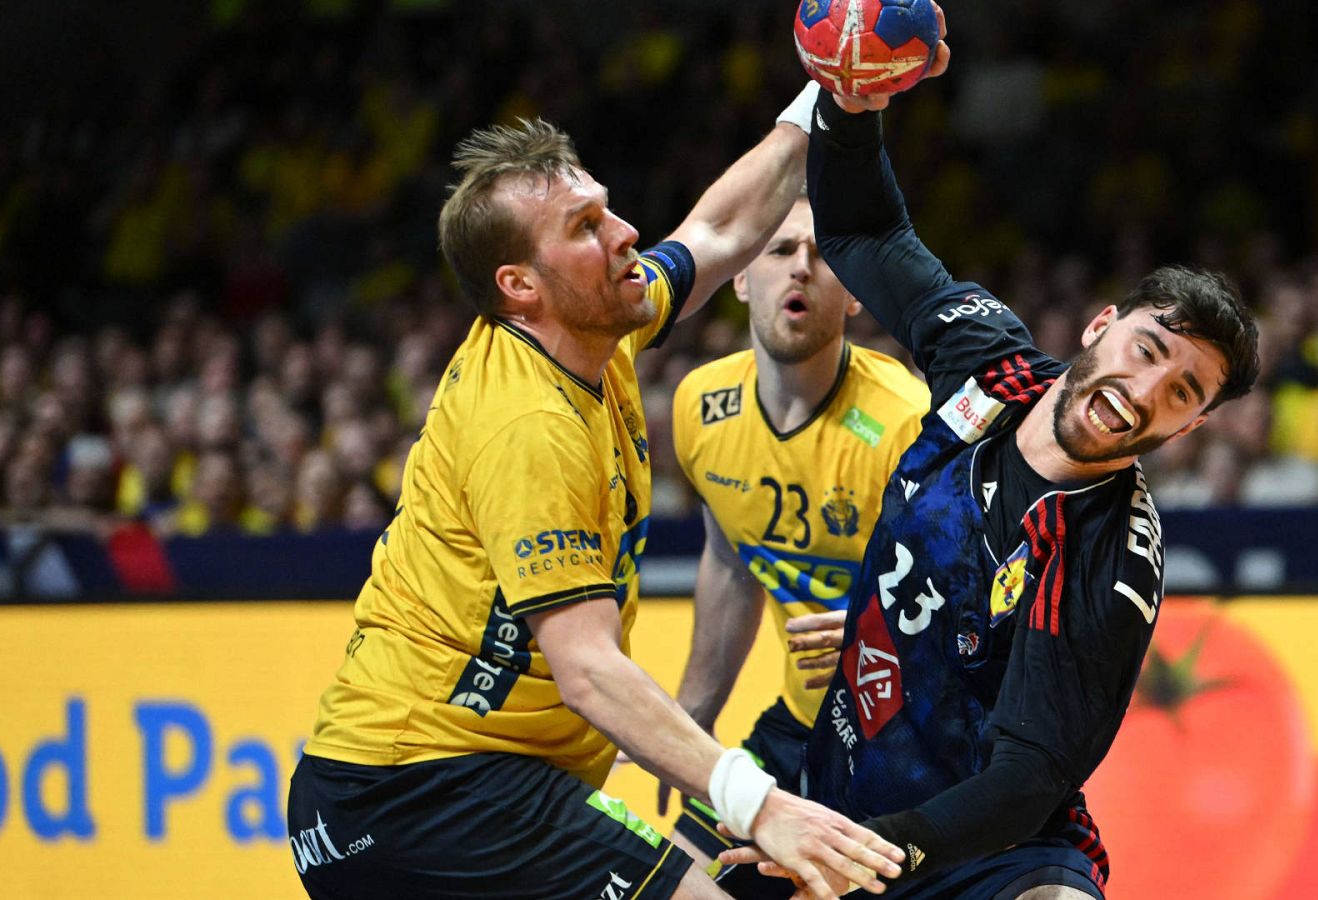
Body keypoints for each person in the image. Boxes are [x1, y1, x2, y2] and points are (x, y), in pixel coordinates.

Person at [286, 93, 907, 900]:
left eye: (607, 212)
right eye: (585, 228)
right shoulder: (527, 424)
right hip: (420, 787)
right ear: (519, 285)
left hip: (435, 785)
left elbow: (716, 234)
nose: (625, 237)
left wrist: (823, 96)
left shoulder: (593, 326)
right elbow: (587, 668)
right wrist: (760, 806)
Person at [719, 72, 1261, 900]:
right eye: (1150, 351)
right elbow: (865, 231)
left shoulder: (1111, 560)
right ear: (1100, 327)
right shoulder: (990, 362)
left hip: (979, 849)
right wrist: (852, 105)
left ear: (1188, 429)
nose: (1148, 391)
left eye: (1183, 392)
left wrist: (873, 852)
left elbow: (1028, 778)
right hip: (837, 786)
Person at [661, 194, 930, 869]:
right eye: (779, 250)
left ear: (856, 294)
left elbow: (976, 598)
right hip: (802, 726)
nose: (802, 268)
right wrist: (691, 720)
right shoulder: (700, 406)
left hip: (922, 738)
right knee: (677, 877)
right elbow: (729, 561)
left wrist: (879, 626)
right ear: (742, 279)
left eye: (825, 254)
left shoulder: (906, 422)